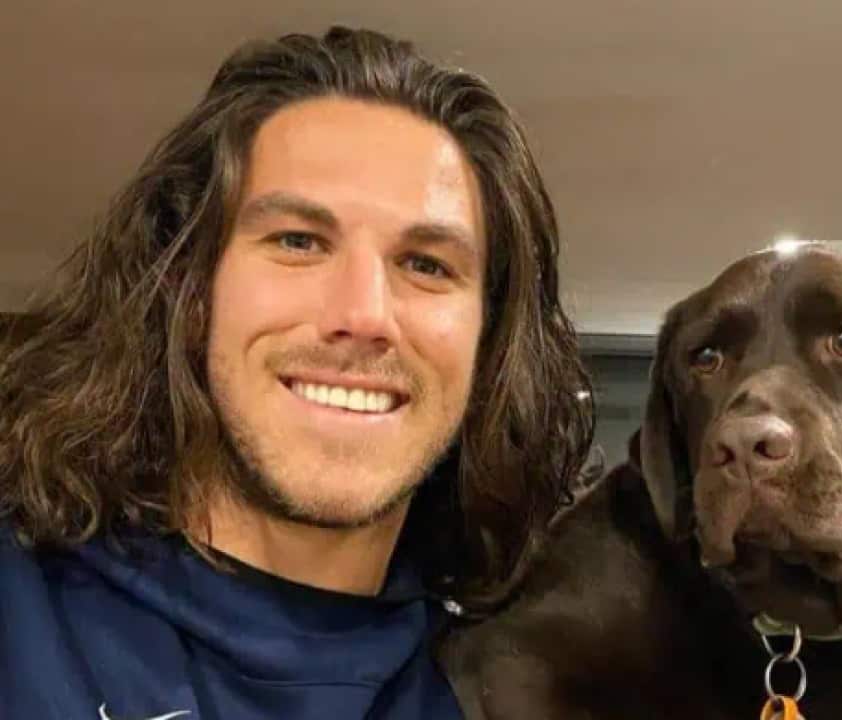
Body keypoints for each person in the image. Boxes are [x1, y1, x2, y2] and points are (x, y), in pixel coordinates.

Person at [0, 26, 593, 718]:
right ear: (187, 290)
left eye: (427, 264)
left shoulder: (516, 683)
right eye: (299, 241)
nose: (364, 314)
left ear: (489, 341)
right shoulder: (24, 615)